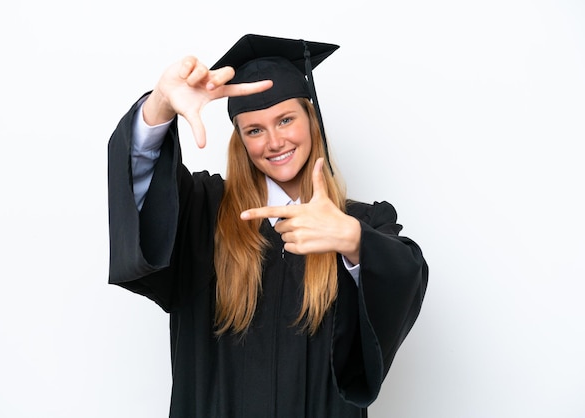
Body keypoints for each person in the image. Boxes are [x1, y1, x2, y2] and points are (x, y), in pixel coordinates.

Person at [107, 34, 428, 418]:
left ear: (312, 120)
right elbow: (144, 191)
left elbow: (406, 277)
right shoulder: (204, 213)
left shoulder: (362, 224)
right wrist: (159, 106)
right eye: (255, 130)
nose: (274, 141)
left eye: (286, 120)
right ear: (240, 140)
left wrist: (352, 240)